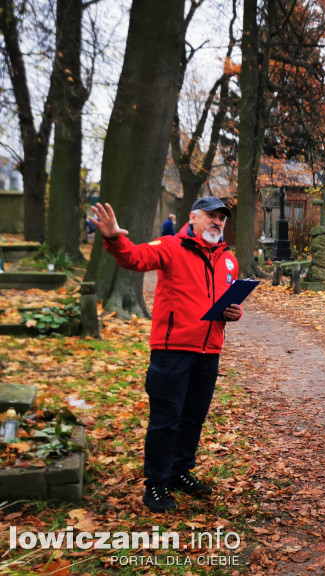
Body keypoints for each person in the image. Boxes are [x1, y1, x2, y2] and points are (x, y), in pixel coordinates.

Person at [88, 197, 242, 513]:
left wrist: (232, 312)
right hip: (172, 351)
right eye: (211, 216)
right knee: (165, 419)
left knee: (193, 417)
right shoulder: (172, 246)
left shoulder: (229, 261)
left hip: (209, 350)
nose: (217, 222)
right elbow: (135, 258)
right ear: (193, 217)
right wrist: (114, 238)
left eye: (221, 218)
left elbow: (225, 301)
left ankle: (179, 472)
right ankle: (155, 483)